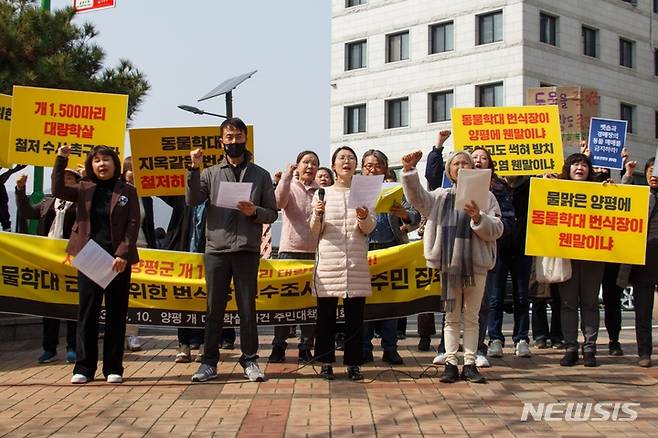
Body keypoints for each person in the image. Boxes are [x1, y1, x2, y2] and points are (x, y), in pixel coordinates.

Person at [186, 117, 278, 383]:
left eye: (238, 137)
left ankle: (250, 360)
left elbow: (272, 213)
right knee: (214, 308)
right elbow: (192, 200)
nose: (234, 142)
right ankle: (208, 362)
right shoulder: (210, 173)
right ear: (221, 142)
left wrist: (254, 212)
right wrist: (193, 168)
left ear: (245, 140)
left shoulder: (260, 175)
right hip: (216, 249)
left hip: (247, 250)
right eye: (229, 137)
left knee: (247, 308)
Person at [401, 149, 503, 383]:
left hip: (476, 265)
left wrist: (479, 218)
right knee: (451, 317)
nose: (461, 166)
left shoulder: (486, 197)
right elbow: (417, 199)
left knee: (472, 317)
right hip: (449, 265)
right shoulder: (440, 196)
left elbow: (497, 229)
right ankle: (450, 362)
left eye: (466, 163)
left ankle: (469, 363)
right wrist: (408, 171)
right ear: (450, 171)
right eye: (456, 163)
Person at [52, 145, 140, 384]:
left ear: (115, 163)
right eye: (97, 160)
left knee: (116, 314)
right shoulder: (83, 188)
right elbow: (58, 188)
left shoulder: (127, 191)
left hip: (117, 262)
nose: (102, 164)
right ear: (91, 165)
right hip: (90, 257)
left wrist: (122, 253)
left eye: (106, 160)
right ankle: (84, 367)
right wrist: (61, 159)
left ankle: (114, 368)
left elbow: (133, 222)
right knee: (88, 313)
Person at [311, 146, 375, 381]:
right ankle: (326, 362)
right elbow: (314, 231)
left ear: (355, 165)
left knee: (354, 318)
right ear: (334, 165)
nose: (346, 161)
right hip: (328, 263)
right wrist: (317, 214)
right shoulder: (321, 194)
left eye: (350, 158)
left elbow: (368, 229)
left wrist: (363, 216)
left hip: (355, 263)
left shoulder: (365, 194)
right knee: (325, 317)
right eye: (341, 158)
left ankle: (353, 364)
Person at [360, 149, 420, 365]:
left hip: (392, 250)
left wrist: (404, 215)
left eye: (377, 165)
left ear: (385, 168)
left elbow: (415, 216)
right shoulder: (355, 189)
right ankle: (364, 348)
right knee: (365, 302)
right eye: (368, 165)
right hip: (364, 251)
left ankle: (390, 348)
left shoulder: (397, 189)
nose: (372, 169)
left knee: (391, 303)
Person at [16, 170, 80, 364]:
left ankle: (73, 347)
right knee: (49, 305)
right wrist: (20, 190)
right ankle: (49, 348)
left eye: (70, 179)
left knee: (72, 305)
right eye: (62, 178)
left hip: (72, 260)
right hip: (49, 261)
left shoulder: (81, 204)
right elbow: (27, 212)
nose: (65, 182)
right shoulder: (47, 202)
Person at [268, 150, 321, 364]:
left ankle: (306, 347)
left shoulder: (322, 191)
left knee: (311, 304)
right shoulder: (289, 186)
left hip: (315, 254)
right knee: (285, 302)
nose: (310, 166)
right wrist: (286, 177)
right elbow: (278, 203)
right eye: (305, 162)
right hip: (289, 252)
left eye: (314, 163)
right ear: (297, 166)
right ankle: (278, 346)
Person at [553, 153, 604, 367]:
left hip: (593, 256)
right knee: (568, 304)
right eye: (575, 164)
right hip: (567, 256)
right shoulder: (557, 189)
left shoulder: (601, 190)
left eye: (584, 164)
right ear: (568, 168)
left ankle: (590, 348)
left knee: (591, 304)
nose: (580, 167)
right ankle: (571, 347)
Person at [469, 147, 518, 368]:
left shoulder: (498, 188)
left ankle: (479, 348)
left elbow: (508, 221)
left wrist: (488, 227)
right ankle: (447, 348)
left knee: (483, 303)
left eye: (483, 157)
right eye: (474, 157)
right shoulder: (453, 187)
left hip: (486, 251)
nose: (478, 161)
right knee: (452, 306)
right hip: (458, 252)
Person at [618, 156, 658, 367]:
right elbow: (623, 200)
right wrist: (628, 175)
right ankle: (645, 353)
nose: (653, 174)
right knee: (642, 311)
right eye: (650, 170)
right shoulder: (641, 195)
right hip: (644, 261)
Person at [417, 130, 451, 351]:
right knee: (427, 293)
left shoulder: (481, 190)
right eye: (455, 164)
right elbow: (432, 173)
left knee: (452, 299)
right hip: (435, 243)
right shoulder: (438, 190)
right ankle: (425, 336)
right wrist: (438, 146)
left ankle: (446, 344)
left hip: (460, 247)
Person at [121, 157, 158, 352]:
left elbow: (149, 226)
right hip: (118, 251)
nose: (133, 173)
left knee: (134, 294)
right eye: (130, 169)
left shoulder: (146, 196)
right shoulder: (115, 192)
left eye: (137, 169)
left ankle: (132, 333)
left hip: (141, 249)